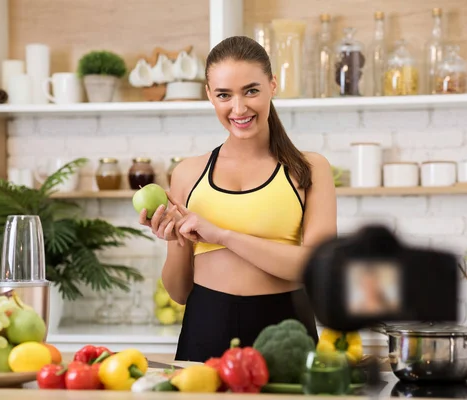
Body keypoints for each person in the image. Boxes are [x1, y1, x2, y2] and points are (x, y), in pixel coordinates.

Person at [138, 35, 338, 362]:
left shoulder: (310, 168)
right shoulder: (188, 173)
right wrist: (175, 239)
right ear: (209, 96)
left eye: (251, 90)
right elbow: (178, 292)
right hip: (206, 324)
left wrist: (221, 236)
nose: (239, 108)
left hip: (286, 328)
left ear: (272, 85)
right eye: (224, 95)